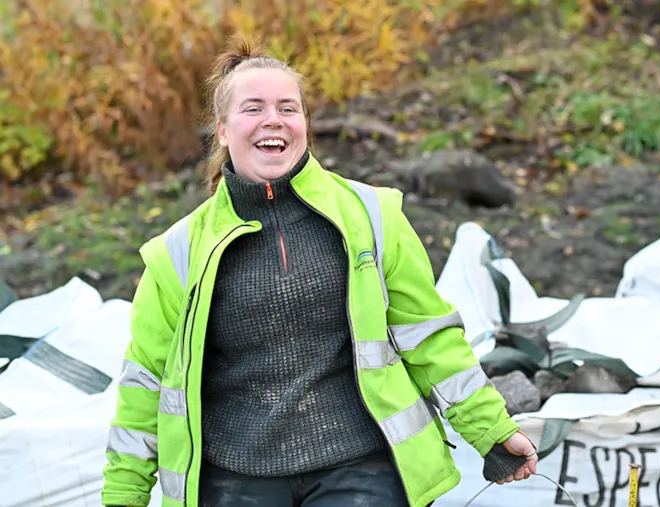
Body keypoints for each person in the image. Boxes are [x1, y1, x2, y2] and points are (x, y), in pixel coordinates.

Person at [101, 34, 538, 507]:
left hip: (362, 466)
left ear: (305, 122)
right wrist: (124, 494)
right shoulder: (177, 253)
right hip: (234, 477)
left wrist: (491, 428)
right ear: (222, 130)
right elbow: (145, 382)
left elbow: (431, 338)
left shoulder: (373, 216)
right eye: (253, 108)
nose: (273, 120)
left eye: (288, 108)